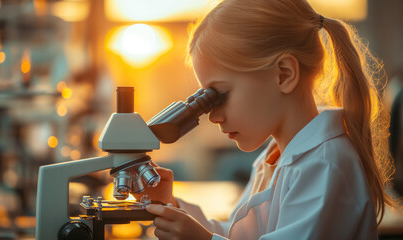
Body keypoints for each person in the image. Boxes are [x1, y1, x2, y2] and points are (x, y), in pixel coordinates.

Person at [136, 0, 395, 239]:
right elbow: (239, 235)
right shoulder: (275, 156)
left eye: (220, 95)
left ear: (283, 75)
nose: (212, 116)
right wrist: (171, 205)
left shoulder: (325, 165)